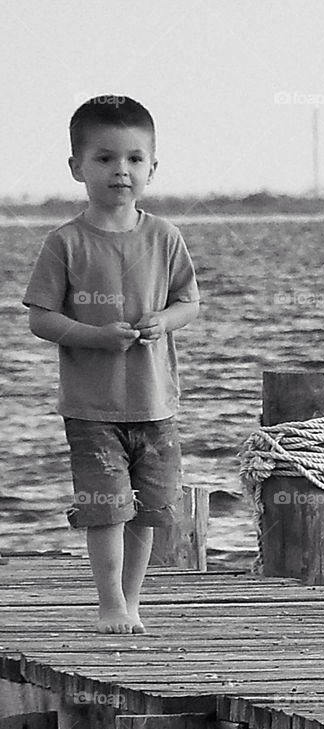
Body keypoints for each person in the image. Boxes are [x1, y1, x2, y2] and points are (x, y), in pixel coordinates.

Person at [23, 96, 200, 634]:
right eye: (104, 159)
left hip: (154, 404)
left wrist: (163, 321)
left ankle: (132, 601)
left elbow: (188, 301)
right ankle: (109, 605)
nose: (120, 170)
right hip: (92, 407)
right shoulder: (66, 242)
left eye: (134, 159)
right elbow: (41, 317)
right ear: (77, 167)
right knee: (105, 509)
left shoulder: (165, 236)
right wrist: (96, 337)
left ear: (152, 167)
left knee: (148, 511)